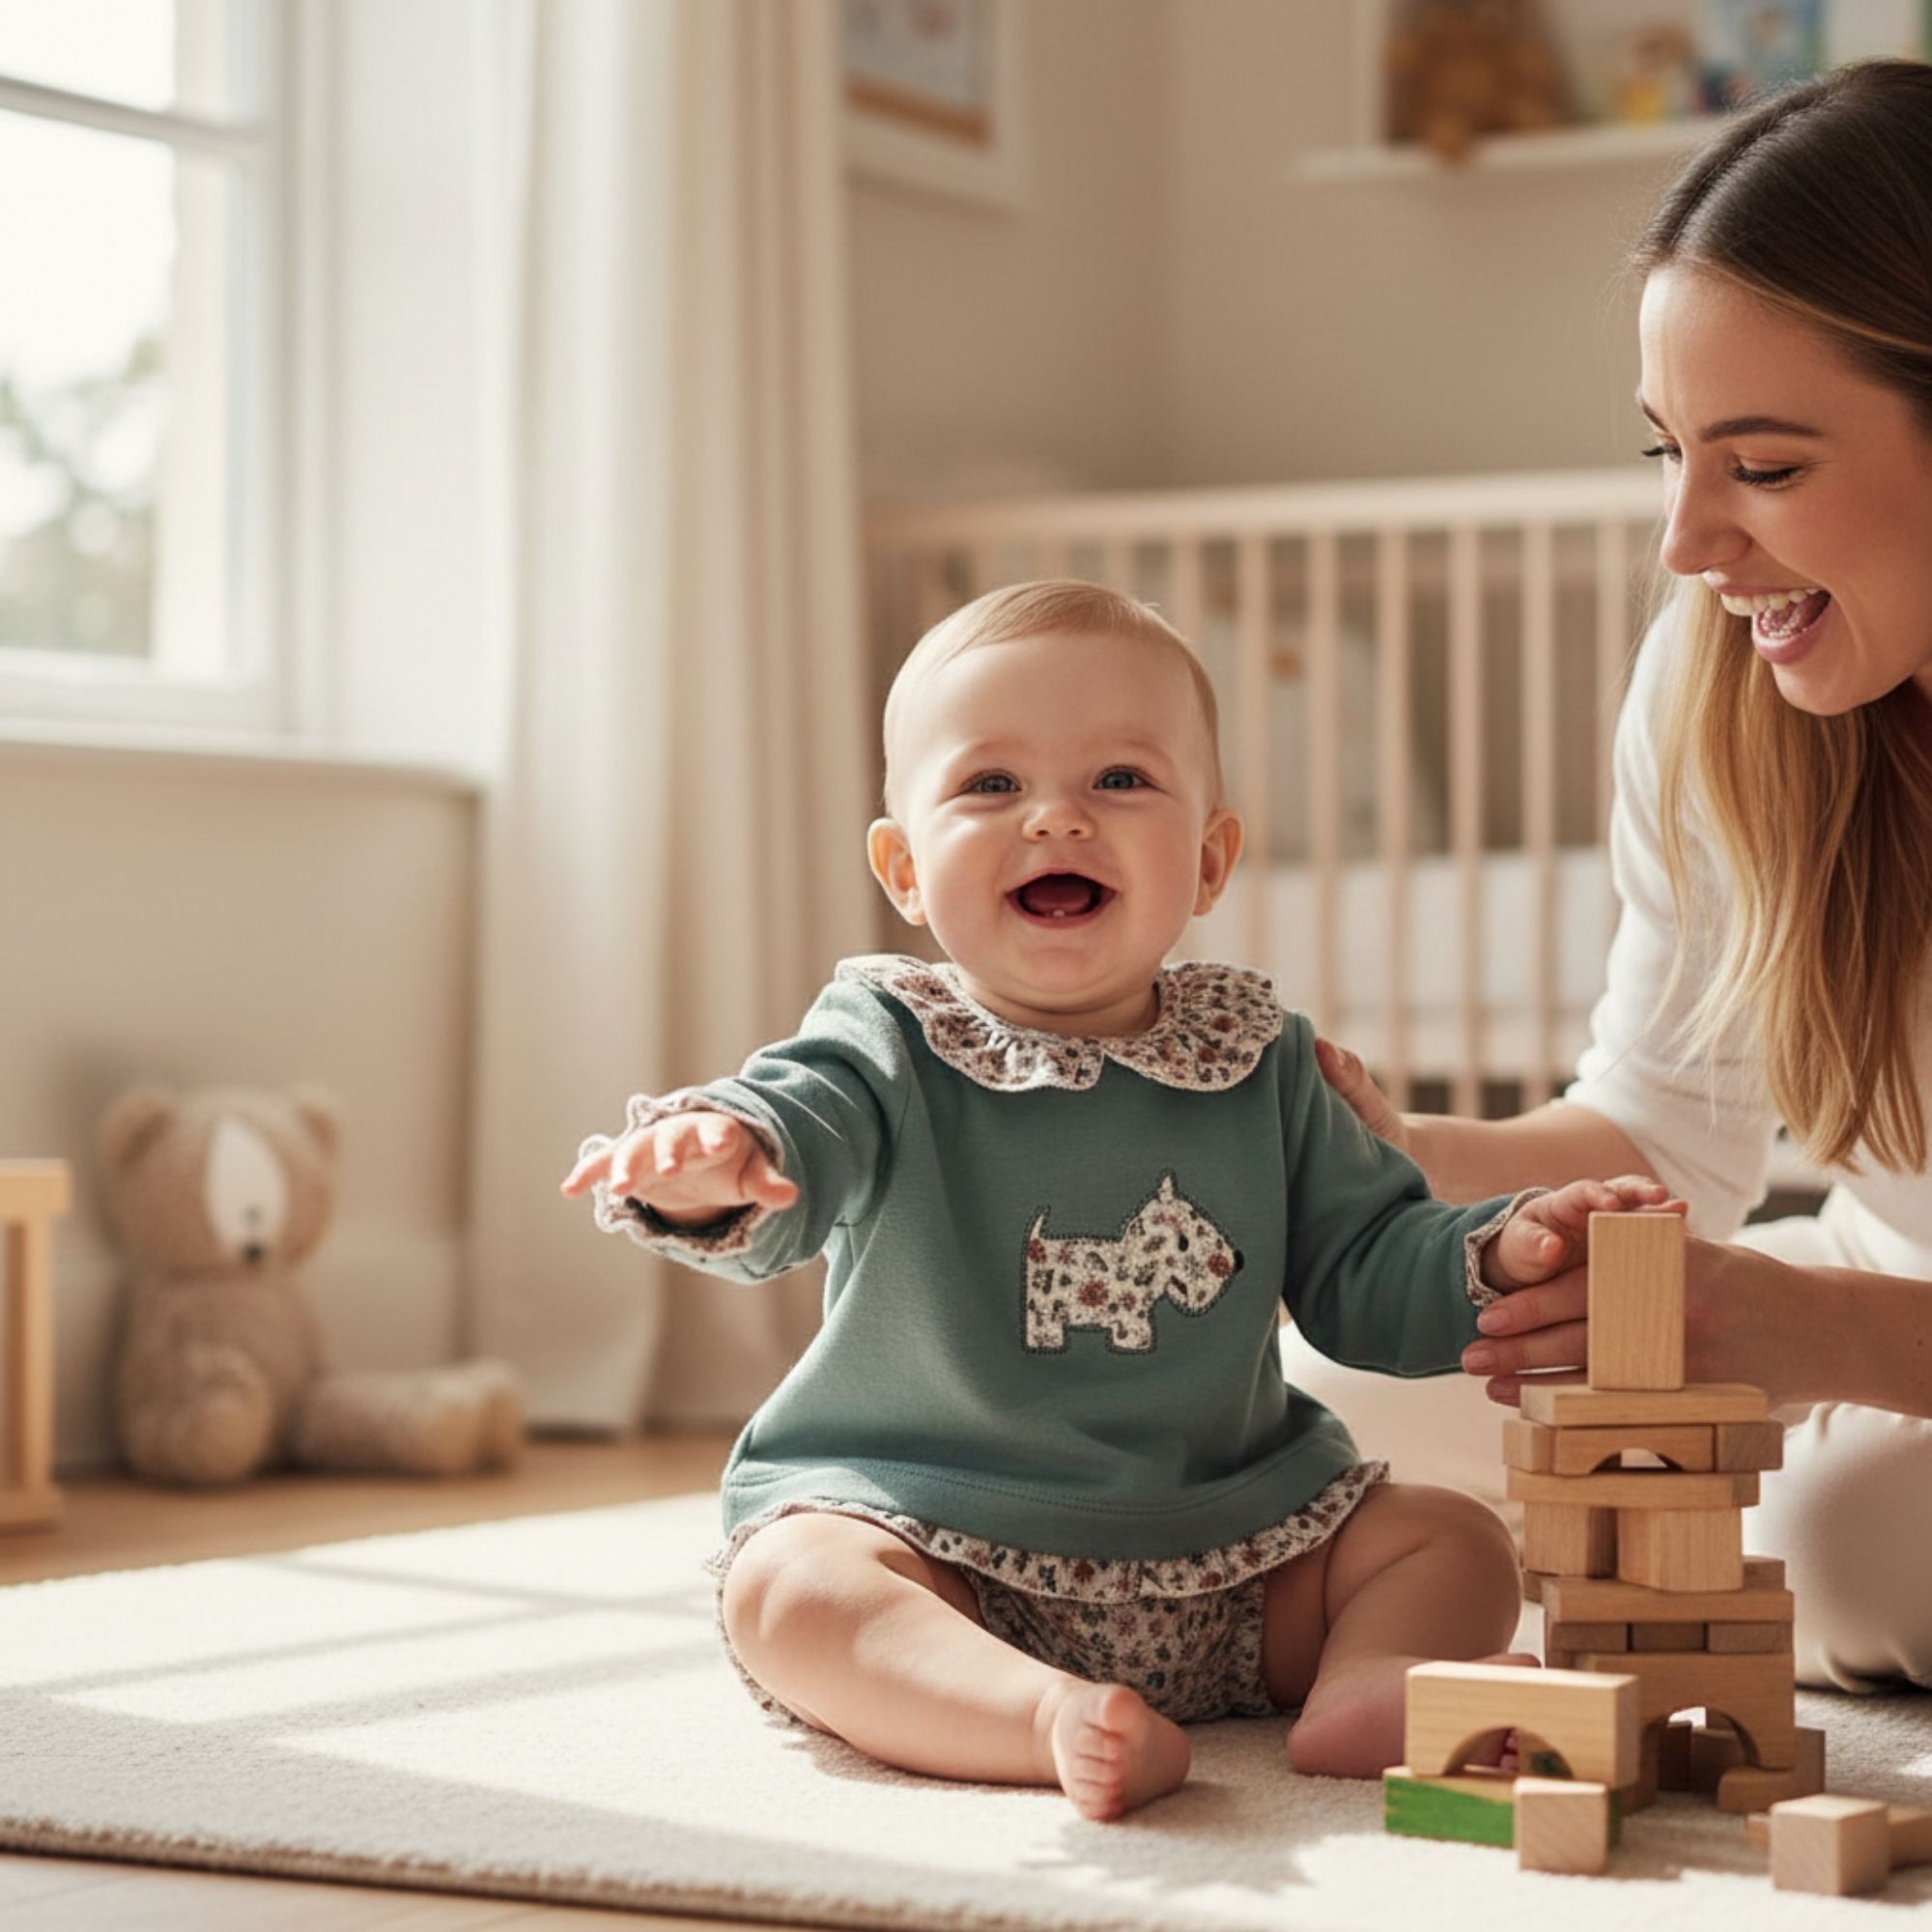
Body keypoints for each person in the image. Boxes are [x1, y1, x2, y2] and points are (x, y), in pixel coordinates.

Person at [561, 580, 1675, 1820]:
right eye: (989, 785)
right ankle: (1036, 1716)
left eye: (1120, 781)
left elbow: (1367, 1265)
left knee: (1452, 1535)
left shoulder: (1254, 1055)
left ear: (1207, 859)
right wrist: (720, 1158)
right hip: (940, 1540)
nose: (1055, 818)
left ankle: (1368, 1682)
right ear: (904, 868)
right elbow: (797, 1126)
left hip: (1237, 1554)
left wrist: (1497, 1247)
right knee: (790, 1587)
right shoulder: (888, 1035)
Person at [1310, 59, 1932, 1697]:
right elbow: (1665, 1137)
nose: (1687, 541)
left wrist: (1825, 1347)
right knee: (1336, 1389)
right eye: (1669, 452)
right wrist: (1388, 1161)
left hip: (1878, 1347)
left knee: (1861, 1545)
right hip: (1877, 1292)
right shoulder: (1722, 685)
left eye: (1768, 466)